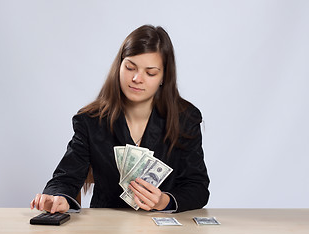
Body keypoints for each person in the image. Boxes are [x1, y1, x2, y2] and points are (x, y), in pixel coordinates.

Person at [30, 24, 210, 214]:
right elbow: (65, 178)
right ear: (119, 66)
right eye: (130, 67)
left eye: (150, 73)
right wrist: (57, 197)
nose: (137, 79)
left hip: (162, 229)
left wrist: (164, 201)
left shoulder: (185, 118)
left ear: (164, 77)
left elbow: (197, 187)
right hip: (106, 228)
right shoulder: (90, 120)